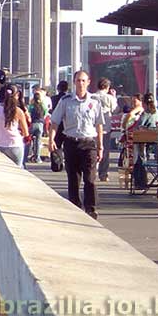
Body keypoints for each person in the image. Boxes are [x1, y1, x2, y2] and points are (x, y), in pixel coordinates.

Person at [49, 70, 104, 220]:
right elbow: (55, 122)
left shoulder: (95, 101)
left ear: (88, 82)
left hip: (89, 143)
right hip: (71, 143)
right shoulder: (66, 101)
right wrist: (51, 140)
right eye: (78, 81)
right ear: (74, 82)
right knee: (73, 179)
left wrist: (100, 146)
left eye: (83, 81)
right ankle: (75, 208)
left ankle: (91, 209)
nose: (80, 83)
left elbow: (99, 125)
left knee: (90, 179)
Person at [0, 84, 29, 168]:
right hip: (16, 145)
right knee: (18, 171)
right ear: (17, 95)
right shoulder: (18, 111)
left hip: (1, 145)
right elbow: (26, 133)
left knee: (4, 171)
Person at [93, 78, 118, 181]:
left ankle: (92, 171)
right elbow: (116, 110)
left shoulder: (92, 97)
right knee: (105, 150)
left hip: (93, 128)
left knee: (93, 150)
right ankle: (103, 174)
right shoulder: (109, 98)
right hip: (105, 128)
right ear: (107, 87)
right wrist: (114, 97)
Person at [29, 91, 47, 163]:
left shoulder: (32, 105)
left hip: (33, 123)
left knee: (29, 141)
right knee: (38, 142)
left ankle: (27, 155)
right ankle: (37, 158)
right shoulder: (43, 105)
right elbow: (45, 113)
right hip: (40, 124)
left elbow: (29, 113)